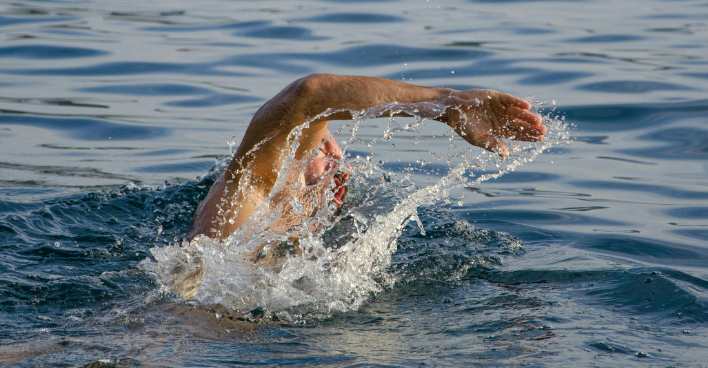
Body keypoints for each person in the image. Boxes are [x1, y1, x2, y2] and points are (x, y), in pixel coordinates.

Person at [187, 74, 546, 240]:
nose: (334, 153)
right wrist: (445, 103)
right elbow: (309, 96)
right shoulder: (246, 197)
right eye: (318, 142)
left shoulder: (291, 236)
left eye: (332, 146)